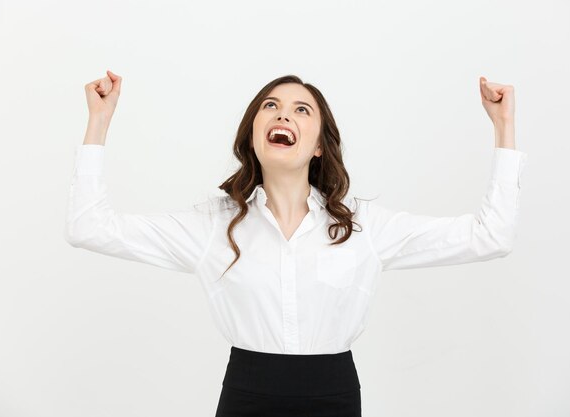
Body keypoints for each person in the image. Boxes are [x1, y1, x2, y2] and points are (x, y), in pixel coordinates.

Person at [65, 70, 528, 416]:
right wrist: (99, 121)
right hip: (246, 395)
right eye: (270, 106)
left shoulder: (365, 228)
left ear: (319, 146)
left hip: (334, 396)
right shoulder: (212, 225)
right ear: (254, 132)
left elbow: (492, 236)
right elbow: (89, 227)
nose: (283, 113)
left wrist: (503, 127)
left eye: (301, 109)